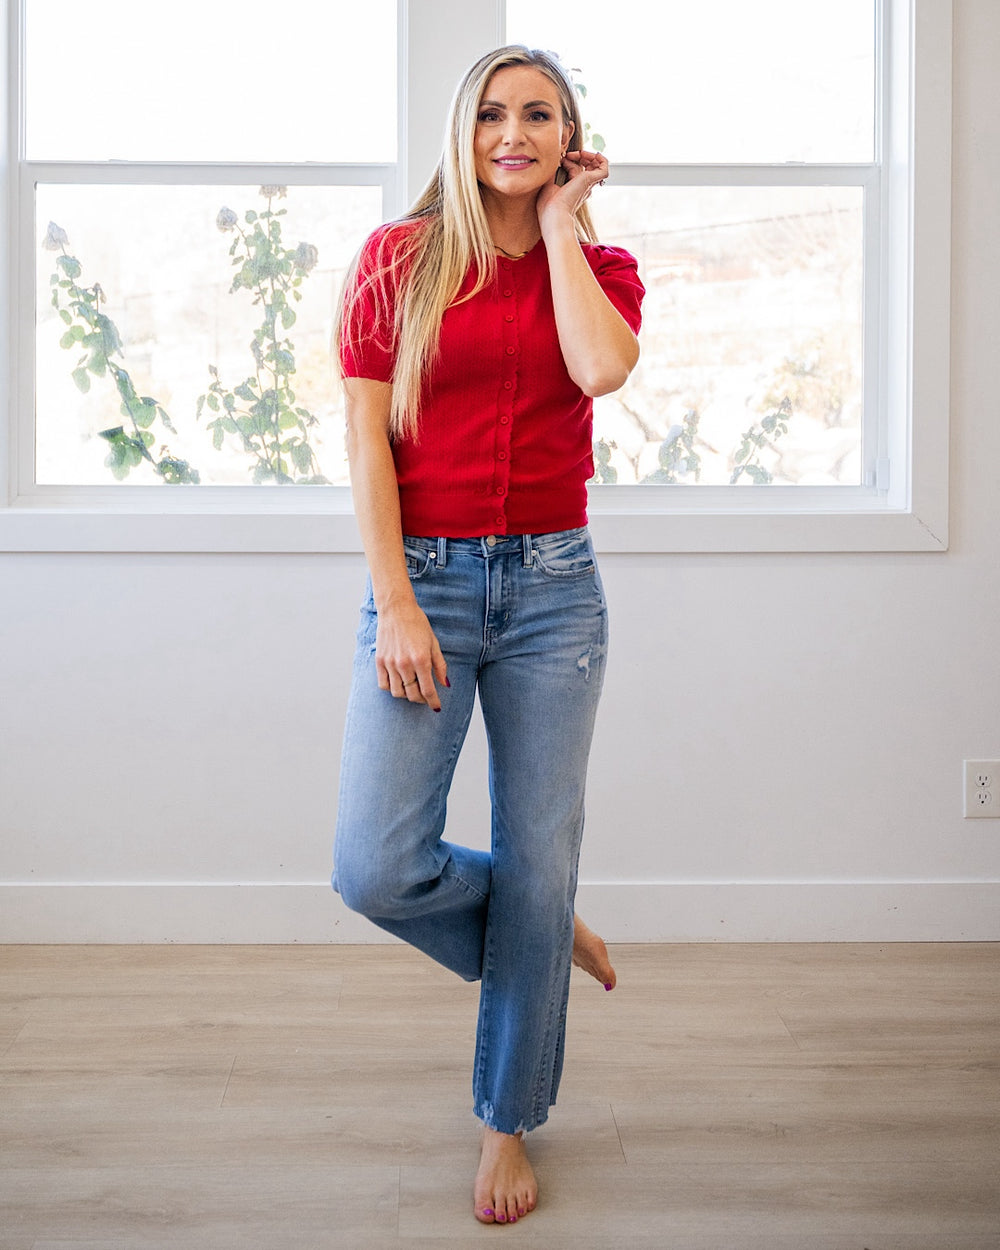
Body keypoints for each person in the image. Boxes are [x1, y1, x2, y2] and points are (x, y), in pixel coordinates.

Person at [331, 44, 644, 1226]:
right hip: (423, 582)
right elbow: (367, 445)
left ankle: (505, 1123)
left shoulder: (599, 262)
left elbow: (601, 367)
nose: (514, 132)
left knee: (538, 839)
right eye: (494, 114)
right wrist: (397, 601)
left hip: (556, 591)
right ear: (462, 133)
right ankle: (532, 913)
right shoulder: (395, 262)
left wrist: (563, 226)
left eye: (541, 117)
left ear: (569, 139)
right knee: (374, 864)